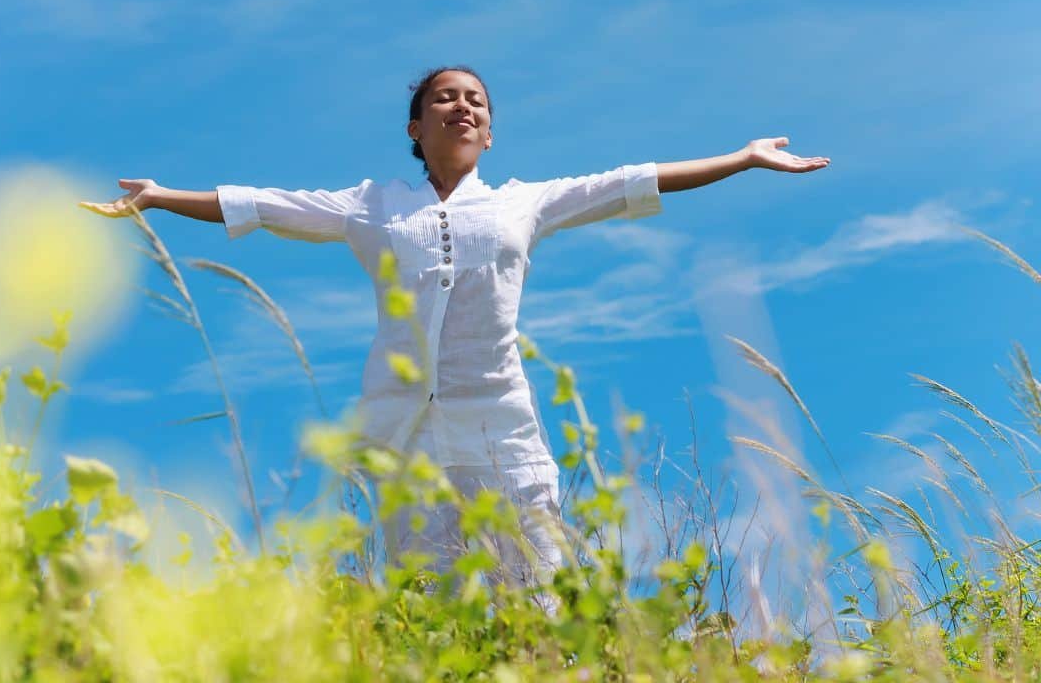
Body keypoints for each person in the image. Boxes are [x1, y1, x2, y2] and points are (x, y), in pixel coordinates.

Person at [80, 66, 829, 609]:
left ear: (491, 130)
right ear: (416, 127)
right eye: (444, 97)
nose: (461, 107)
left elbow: (635, 182)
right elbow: (264, 206)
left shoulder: (524, 202)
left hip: (501, 423)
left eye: (475, 100)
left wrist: (740, 157)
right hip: (404, 428)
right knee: (427, 594)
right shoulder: (370, 206)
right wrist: (161, 198)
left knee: (533, 584)